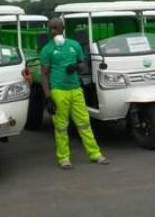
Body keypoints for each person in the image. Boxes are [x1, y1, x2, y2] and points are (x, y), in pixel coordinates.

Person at [40, 18, 108, 170]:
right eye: (50, 29)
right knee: (61, 126)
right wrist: (48, 97)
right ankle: (64, 158)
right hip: (58, 91)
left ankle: (95, 154)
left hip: (75, 89)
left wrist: (76, 67)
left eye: (56, 28)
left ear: (63, 28)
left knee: (84, 123)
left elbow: (83, 65)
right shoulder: (46, 50)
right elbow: (44, 75)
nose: (53, 32)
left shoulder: (74, 45)